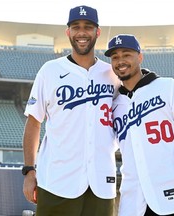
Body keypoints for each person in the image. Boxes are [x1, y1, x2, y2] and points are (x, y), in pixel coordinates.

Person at [22, 5, 120, 216]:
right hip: (57, 182)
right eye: (76, 27)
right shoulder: (50, 71)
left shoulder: (112, 74)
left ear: (97, 32)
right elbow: (34, 123)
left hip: (101, 183)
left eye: (88, 27)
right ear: (68, 32)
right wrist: (29, 171)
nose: (82, 32)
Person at [104, 34, 174, 216]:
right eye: (115, 57)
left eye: (126, 54)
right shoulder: (113, 103)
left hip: (171, 193)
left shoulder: (167, 87)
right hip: (132, 199)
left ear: (140, 56)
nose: (120, 61)